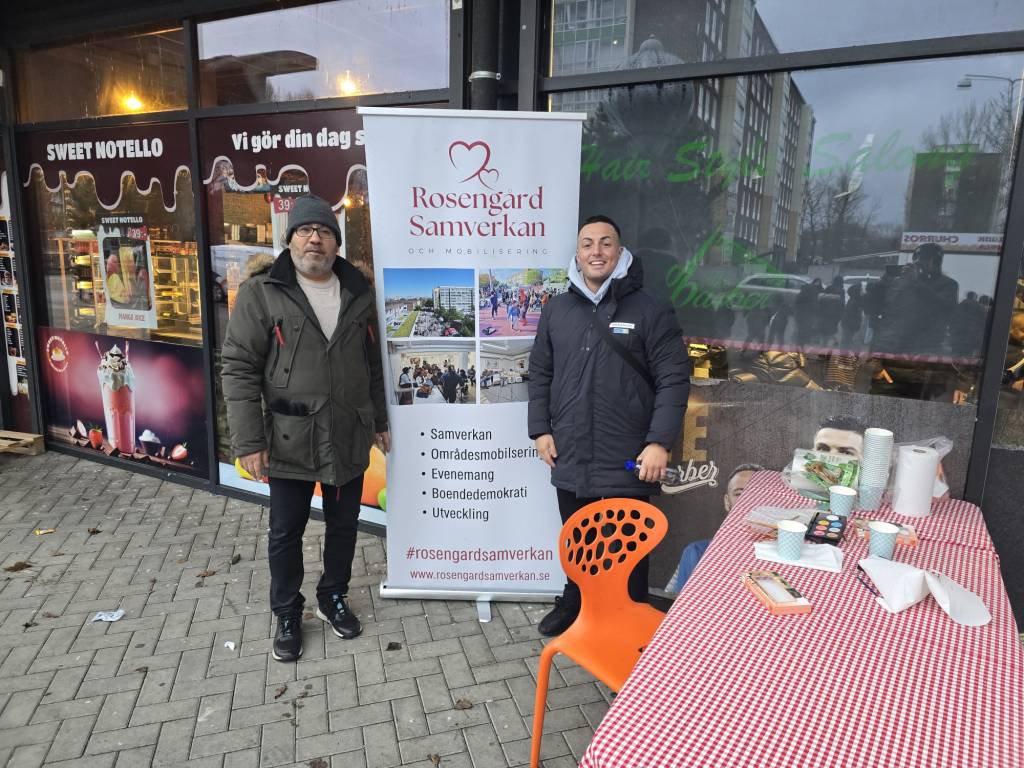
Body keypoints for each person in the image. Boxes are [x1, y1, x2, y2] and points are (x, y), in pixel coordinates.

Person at [222, 195, 390, 663]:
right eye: (305, 230)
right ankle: (287, 611)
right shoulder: (262, 292)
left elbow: (372, 364)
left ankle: (332, 595)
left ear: (336, 243)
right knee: (285, 532)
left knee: (343, 525)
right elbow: (238, 368)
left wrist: (379, 421)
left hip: (348, 433)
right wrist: (249, 442)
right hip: (289, 436)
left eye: (325, 232)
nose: (315, 239)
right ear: (290, 239)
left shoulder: (358, 292)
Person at [528, 214, 691, 636]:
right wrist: (541, 430)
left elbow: (674, 379)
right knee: (578, 539)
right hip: (571, 449)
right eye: (587, 244)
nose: (596, 251)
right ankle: (575, 601)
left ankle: (628, 623)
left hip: (628, 453)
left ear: (619, 251)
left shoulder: (650, 309)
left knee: (627, 550)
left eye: (605, 243)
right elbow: (540, 373)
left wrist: (659, 442)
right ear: (577, 253)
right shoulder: (557, 309)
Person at [664, 463, 764, 592]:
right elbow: (678, 600)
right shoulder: (698, 553)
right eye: (739, 494)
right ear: (727, 502)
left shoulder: (782, 556)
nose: (747, 500)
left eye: (755, 493)